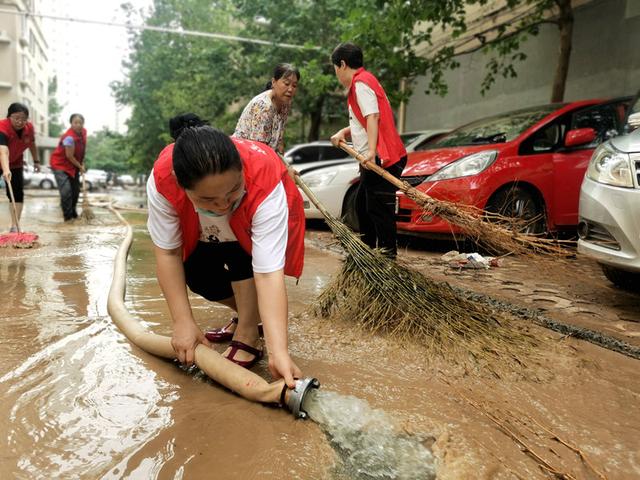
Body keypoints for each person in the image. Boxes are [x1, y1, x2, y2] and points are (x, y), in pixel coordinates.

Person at [146, 114, 305, 388]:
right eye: (207, 199)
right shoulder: (163, 181)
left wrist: (279, 352)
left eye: (232, 192)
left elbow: (267, 273)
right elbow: (169, 253)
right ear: (179, 183)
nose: (222, 205)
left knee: (241, 256)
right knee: (197, 276)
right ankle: (249, 315)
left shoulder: (263, 176)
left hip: (248, 233)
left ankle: (249, 330)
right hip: (205, 232)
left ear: (242, 170)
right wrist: (182, 322)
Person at [330, 42, 407, 258]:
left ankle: (386, 260)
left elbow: (373, 116)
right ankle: (368, 256)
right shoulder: (365, 82)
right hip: (374, 158)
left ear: (342, 64)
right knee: (363, 208)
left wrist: (372, 152)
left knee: (379, 213)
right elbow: (364, 119)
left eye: (335, 68)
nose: (336, 74)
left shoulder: (361, 84)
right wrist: (344, 133)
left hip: (381, 158)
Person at [233, 63, 300, 154]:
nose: (290, 89)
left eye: (294, 86)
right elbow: (258, 150)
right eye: (286, 83)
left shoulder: (286, 103)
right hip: (244, 156)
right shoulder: (264, 107)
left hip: (265, 156)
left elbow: (279, 140)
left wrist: (285, 163)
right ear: (274, 82)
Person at [0, 103, 39, 232]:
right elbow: (3, 151)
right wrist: (5, 169)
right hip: (2, 159)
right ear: (9, 116)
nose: (20, 121)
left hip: (16, 162)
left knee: (17, 194)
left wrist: (36, 161)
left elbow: (32, 144)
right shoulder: (2, 127)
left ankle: (14, 227)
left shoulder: (29, 129)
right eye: (16, 118)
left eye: (23, 118)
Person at [50, 114, 87, 222]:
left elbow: (83, 148)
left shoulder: (84, 132)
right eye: (75, 122)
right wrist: (80, 166)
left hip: (73, 165)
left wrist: (82, 161)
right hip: (60, 165)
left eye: (80, 122)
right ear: (71, 124)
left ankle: (73, 213)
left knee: (76, 191)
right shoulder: (69, 138)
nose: (78, 125)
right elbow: (69, 156)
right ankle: (68, 218)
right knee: (66, 191)